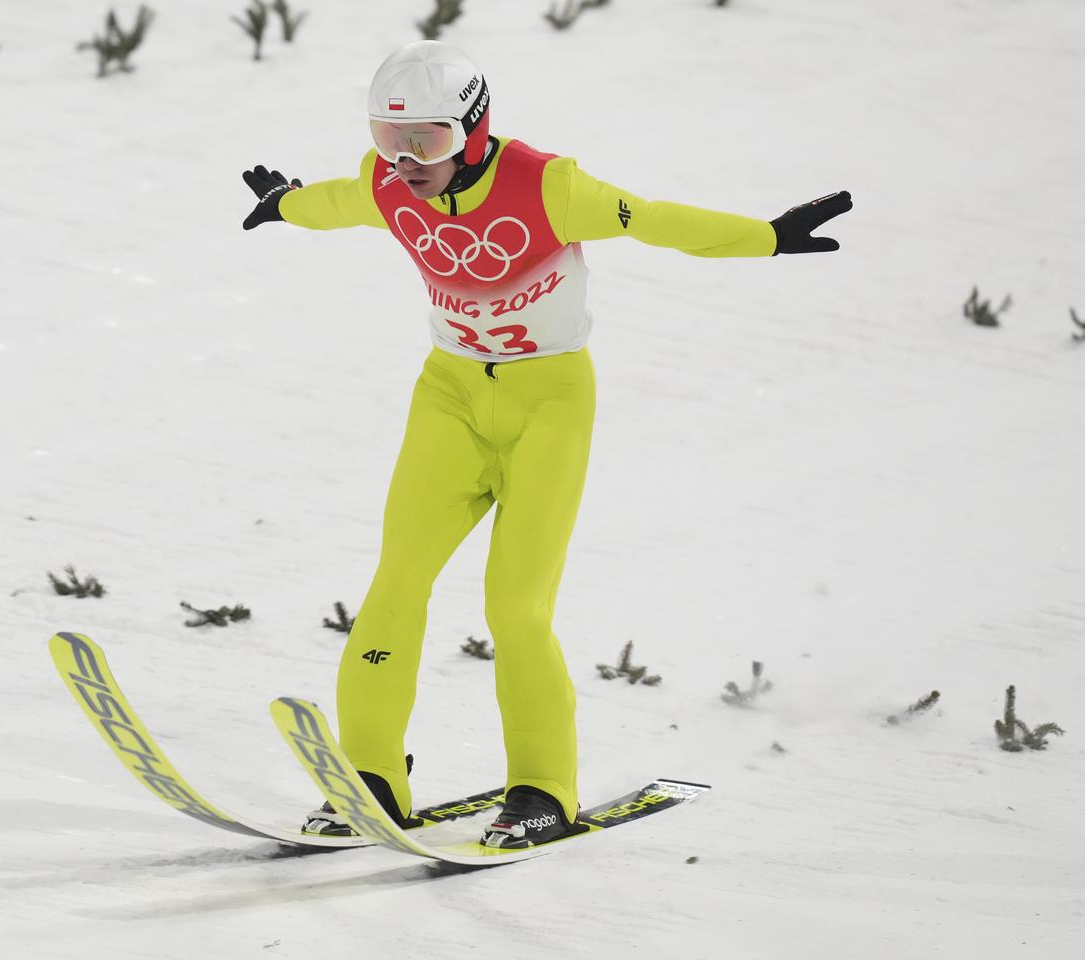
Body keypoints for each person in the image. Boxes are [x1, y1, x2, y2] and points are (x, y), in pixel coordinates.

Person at [242, 40, 851, 849]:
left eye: (421, 139)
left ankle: (542, 788)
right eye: (387, 140)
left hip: (549, 405)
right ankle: (373, 778)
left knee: (516, 607)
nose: (402, 162)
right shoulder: (388, 186)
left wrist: (766, 236)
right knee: (396, 583)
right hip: (450, 397)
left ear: (472, 126)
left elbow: (658, 219)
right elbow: (337, 202)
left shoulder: (548, 187)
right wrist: (285, 201)